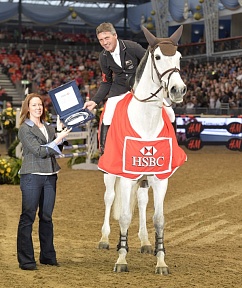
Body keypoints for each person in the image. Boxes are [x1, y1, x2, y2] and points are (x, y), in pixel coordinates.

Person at [83, 22, 176, 154]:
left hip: (141, 84)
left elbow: (151, 63)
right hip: (119, 86)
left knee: (170, 113)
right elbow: (106, 82)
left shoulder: (132, 47)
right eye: (101, 40)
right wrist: (95, 100)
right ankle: (104, 150)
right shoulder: (103, 57)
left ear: (115, 35)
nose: (104, 43)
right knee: (108, 114)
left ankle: (173, 145)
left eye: (107, 38)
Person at [17, 93, 71, 270]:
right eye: (34, 105)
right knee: (28, 217)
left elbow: (56, 149)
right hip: (32, 175)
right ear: (28, 108)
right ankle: (26, 260)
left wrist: (60, 134)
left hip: (50, 175)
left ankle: (47, 256)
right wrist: (58, 138)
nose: (38, 108)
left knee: (46, 217)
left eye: (40, 105)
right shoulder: (24, 129)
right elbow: (39, 151)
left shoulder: (48, 127)